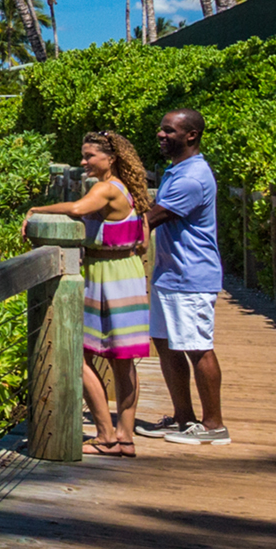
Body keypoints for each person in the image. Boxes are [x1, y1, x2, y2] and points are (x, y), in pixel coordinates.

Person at [28, 131, 155, 456]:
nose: (83, 162)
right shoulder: (128, 189)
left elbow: (78, 208)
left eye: (89, 156)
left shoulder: (106, 189)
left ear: (110, 158)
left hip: (105, 276)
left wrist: (36, 209)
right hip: (127, 273)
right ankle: (125, 437)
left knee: (78, 353)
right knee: (123, 361)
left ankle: (105, 434)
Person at [146, 106, 229, 443]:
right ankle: (183, 417)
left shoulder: (192, 178)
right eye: (161, 130)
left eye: (169, 131)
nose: (161, 135)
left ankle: (214, 427)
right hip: (170, 274)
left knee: (197, 347)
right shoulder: (177, 171)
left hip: (190, 276)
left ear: (191, 135)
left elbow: (149, 220)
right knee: (166, 344)